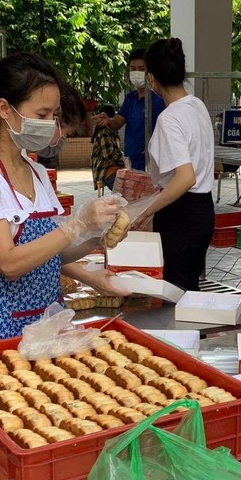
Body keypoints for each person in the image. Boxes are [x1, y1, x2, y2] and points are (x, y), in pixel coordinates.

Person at [0, 53, 128, 343]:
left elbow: (52, 254)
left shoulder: (36, 172)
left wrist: (97, 236)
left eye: (54, 115)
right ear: (5, 109)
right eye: (42, 115)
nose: (50, 124)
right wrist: (78, 224)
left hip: (46, 321)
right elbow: (8, 264)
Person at [135, 38, 216, 291]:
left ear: (151, 78)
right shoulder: (197, 105)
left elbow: (185, 177)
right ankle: (196, 331)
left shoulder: (169, 118)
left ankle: (181, 332)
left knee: (176, 293)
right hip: (203, 211)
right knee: (190, 288)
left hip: (180, 214)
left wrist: (144, 210)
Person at [94, 47, 166, 170]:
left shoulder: (159, 99)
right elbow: (117, 123)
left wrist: (155, 143)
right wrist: (108, 120)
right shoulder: (130, 99)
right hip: (131, 161)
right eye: (133, 69)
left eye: (142, 69)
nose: (136, 73)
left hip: (153, 163)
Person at [91, 102, 125, 192]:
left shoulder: (113, 133)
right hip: (107, 172)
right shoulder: (104, 133)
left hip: (115, 170)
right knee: (124, 193)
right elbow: (109, 155)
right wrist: (124, 158)